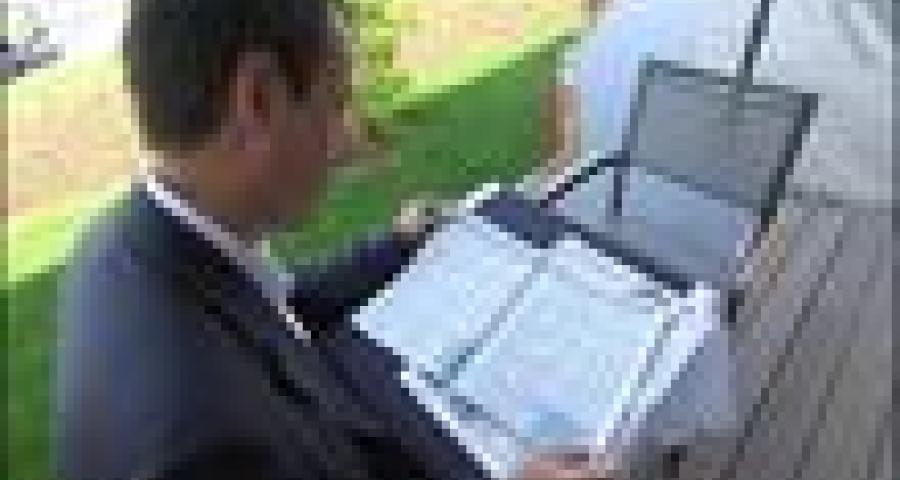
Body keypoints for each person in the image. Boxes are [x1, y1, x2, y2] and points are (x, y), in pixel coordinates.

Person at [57, 1, 613, 479]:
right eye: (337, 103)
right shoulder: (205, 444)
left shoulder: (130, 246)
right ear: (258, 98)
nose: (350, 144)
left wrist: (398, 244)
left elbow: (276, 308)